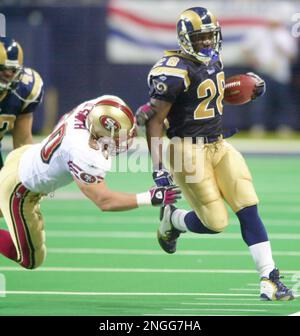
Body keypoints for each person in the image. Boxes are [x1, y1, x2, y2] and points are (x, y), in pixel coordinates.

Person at [136, 7, 294, 301]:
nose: (207, 43)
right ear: (185, 39)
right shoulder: (172, 70)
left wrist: (243, 89)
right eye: (200, 38)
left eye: (210, 36)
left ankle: (269, 278)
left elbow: (207, 99)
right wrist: (159, 169)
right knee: (216, 222)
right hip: (186, 151)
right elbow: (156, 120)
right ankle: (175, 220)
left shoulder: (214, 59)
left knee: (248, 204)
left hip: (219, 144)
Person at [0, 95, 180, 270]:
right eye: (119, 139)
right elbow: (104, 201)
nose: (127, 139)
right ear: (98, 137)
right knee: (30, 259)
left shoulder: (101, 108)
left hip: (24, 155)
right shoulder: (84, 152)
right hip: (19, 189)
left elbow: (114, 122)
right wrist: (149, 197)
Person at [0, 36, 44, 169]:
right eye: (2, 69)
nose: (8, 75)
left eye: (13, 70)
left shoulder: (23, 90)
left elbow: (22, 142)